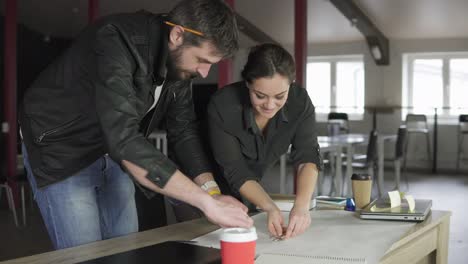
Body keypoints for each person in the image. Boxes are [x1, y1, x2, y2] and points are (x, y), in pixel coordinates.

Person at [19, 0, 252, 250]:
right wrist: (205, 204)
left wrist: (212, 194)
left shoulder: (179, 64)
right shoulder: (116, 39)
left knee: (126, 249)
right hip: (61, 148)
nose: (205, 72)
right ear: (177, 35)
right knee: (85, 254)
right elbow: (123, 138)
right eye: (202, 60)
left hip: (110, 148)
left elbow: (183, 129)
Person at [207, 43, 322, 240]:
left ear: (291, 84)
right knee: (208, 247)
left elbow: (307, 156)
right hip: (206, 187)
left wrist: (302, 206)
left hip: (251, 191)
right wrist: (269, 206)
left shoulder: (300, 102)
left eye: (280, 96)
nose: (270, 105)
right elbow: (236, 170)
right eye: (259, 96)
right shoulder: (223, 104)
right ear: (247, 84)